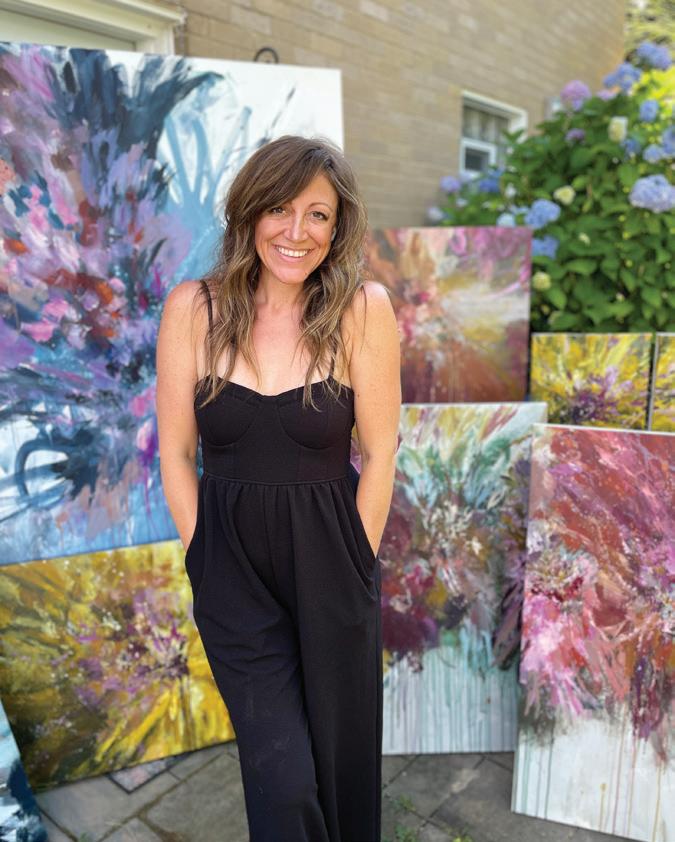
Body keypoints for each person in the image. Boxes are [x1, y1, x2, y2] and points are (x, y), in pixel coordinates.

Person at [155, 134, 401, 842]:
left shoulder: (361, 310)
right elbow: (176, 452)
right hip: (230, 570)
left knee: (338, 763)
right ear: (250, 212)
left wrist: (356, 560)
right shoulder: (193, 309)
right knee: (283, 775)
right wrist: (202, 554)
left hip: (331, 565)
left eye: (317, 214)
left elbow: (380, 450)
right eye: (279, 209)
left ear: (337, 225)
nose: (297, 231)